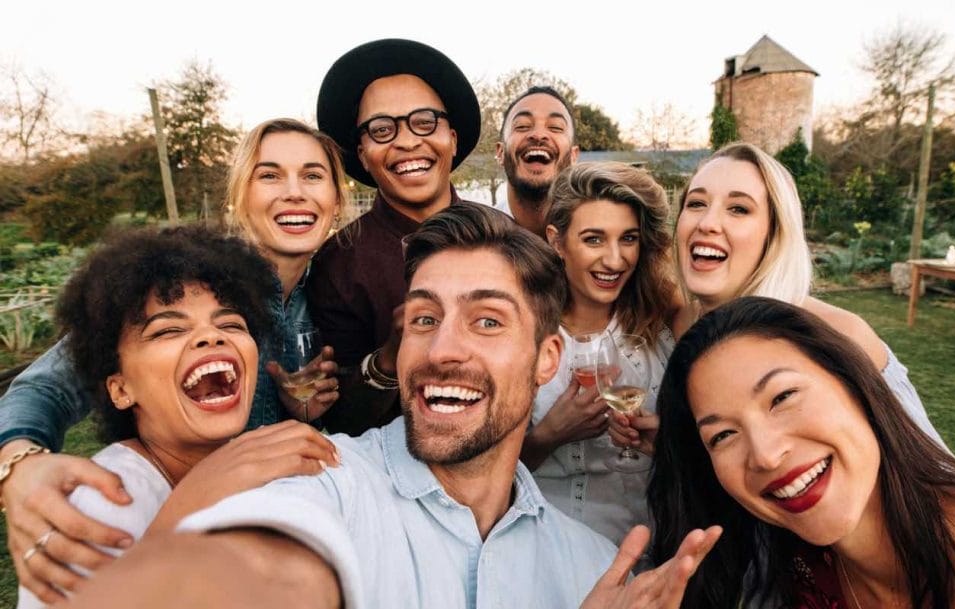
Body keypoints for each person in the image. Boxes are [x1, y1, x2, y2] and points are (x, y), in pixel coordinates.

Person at [61, 205, 724, 609]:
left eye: (488, 321)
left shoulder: (594, 569)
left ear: (548, 358)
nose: (443, 348)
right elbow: (258, 569)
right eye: (424, 316)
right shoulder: (320, 480)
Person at [0, 118, 347, 601]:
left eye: (312, 175)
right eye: (269, 175)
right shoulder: (185, 283)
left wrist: (299, 408)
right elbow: (47, 386)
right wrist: (17, 464)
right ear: (239, 196)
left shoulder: (331, 295)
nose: (294, 192)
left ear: (336, 198)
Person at [647, 296, 955, 609]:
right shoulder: (801, 574)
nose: (765, 455)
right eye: (722, 435)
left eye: (782, 397)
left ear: (855, 384)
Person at [609, 142, 949, 454]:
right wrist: (672, 446)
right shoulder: (684, 326)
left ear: (774, 233)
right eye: (696, 203)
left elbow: (932, 473)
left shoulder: (838, 335)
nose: (708, 223)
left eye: (739, 209)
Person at [306, 38, 483, 436]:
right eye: (382, 129)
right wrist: (388, 358)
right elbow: (337, 420)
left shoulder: (507, 239)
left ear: (452, 139)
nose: (406, 141)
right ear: (363, 153)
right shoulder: (338, 263)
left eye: (424, 122)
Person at [520, 162, 678, 547]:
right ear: (557, 241)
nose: (614, 259)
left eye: (628, 239)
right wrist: (550, 435)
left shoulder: (663, 329)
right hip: (549, 547)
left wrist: (664, 445)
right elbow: (476, 473)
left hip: (653, 542)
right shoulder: (524, 336)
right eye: (593, 239)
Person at [494, 85, 580, 234]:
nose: (538, 135)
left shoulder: (595, 237)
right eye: (522, 126)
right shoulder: (476, 239)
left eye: (556, 127)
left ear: (573, 156)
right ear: (501, 153)